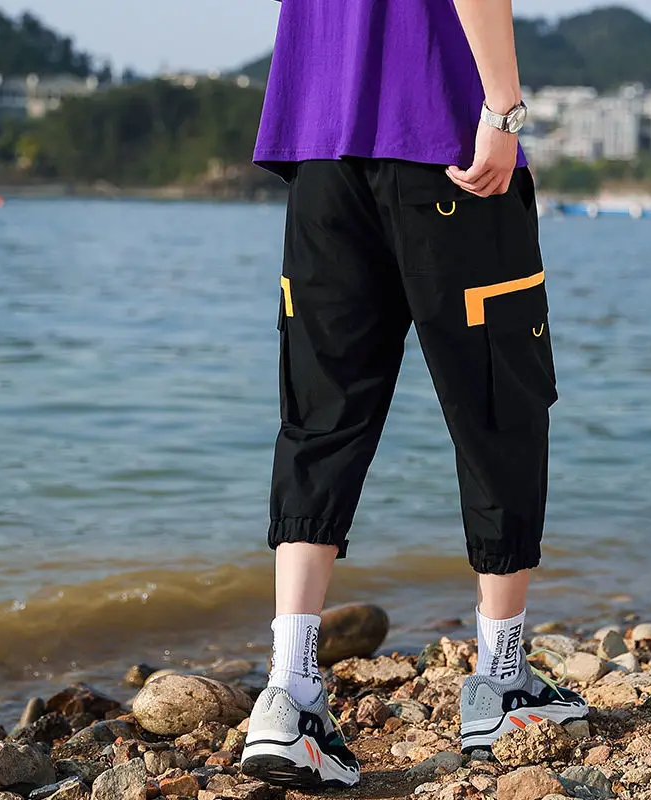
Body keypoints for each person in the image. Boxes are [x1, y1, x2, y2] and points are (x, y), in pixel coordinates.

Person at [240, 0, 589, 788]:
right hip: (447, 138)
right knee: (497, 404)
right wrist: (503, 110)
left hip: (321, 142)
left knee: (319, 419)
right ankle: (501, 680)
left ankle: (289, 694)